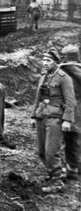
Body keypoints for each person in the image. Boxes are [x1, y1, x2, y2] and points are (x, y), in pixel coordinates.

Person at [31, 47, 76, 193]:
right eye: (43, 60)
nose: (45, 63)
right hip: (42, 116)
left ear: (56, 62)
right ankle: (54, 174)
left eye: (48, 60)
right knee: (42, 152)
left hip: (55, 119)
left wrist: (67, 120)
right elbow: (38, 97)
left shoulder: (64, 78)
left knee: (52, 152)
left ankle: (57, 182)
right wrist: (33, 116)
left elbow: (71, 101)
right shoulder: (44, 75)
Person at [60, 44, 81, 182]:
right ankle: (75, 166)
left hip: (66, 108)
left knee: (64, 139)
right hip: (79, 109)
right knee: (76, 138)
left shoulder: (62, 72)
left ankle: (67, 168)